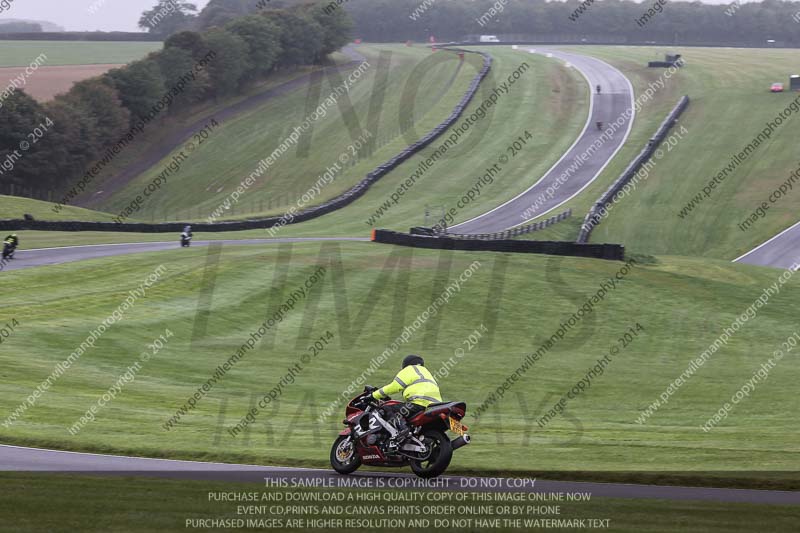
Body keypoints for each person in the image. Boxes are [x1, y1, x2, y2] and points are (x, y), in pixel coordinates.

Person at [371, 354, 443, 451]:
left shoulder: (410, 369)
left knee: (386, 408)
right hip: (435, 406)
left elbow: (395, 386)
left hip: (419, 403)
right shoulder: (427, 373)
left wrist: (374, 395)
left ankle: (402, 431)